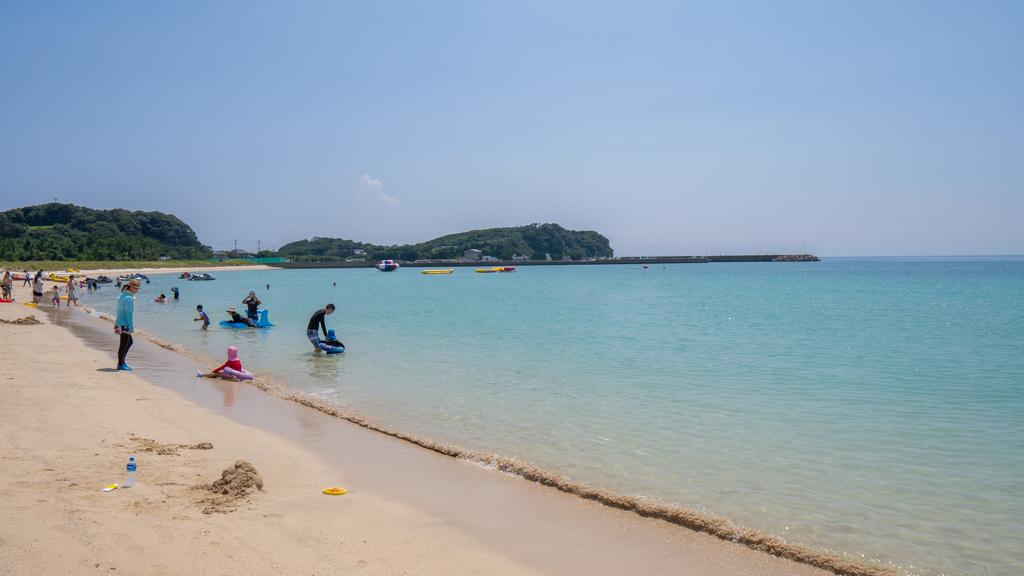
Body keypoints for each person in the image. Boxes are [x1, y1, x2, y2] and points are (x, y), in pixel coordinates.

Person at [115, 280, 140, 371]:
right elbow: (128, 313)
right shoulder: (129, 298)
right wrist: (131, 326)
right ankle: (121, 364)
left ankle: (122, 362)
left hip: (119, 322)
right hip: (124, 324)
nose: (137, 291)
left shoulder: (122, 295)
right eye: (136, 289)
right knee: (124, 344)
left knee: (129, 342)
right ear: (132, 288)